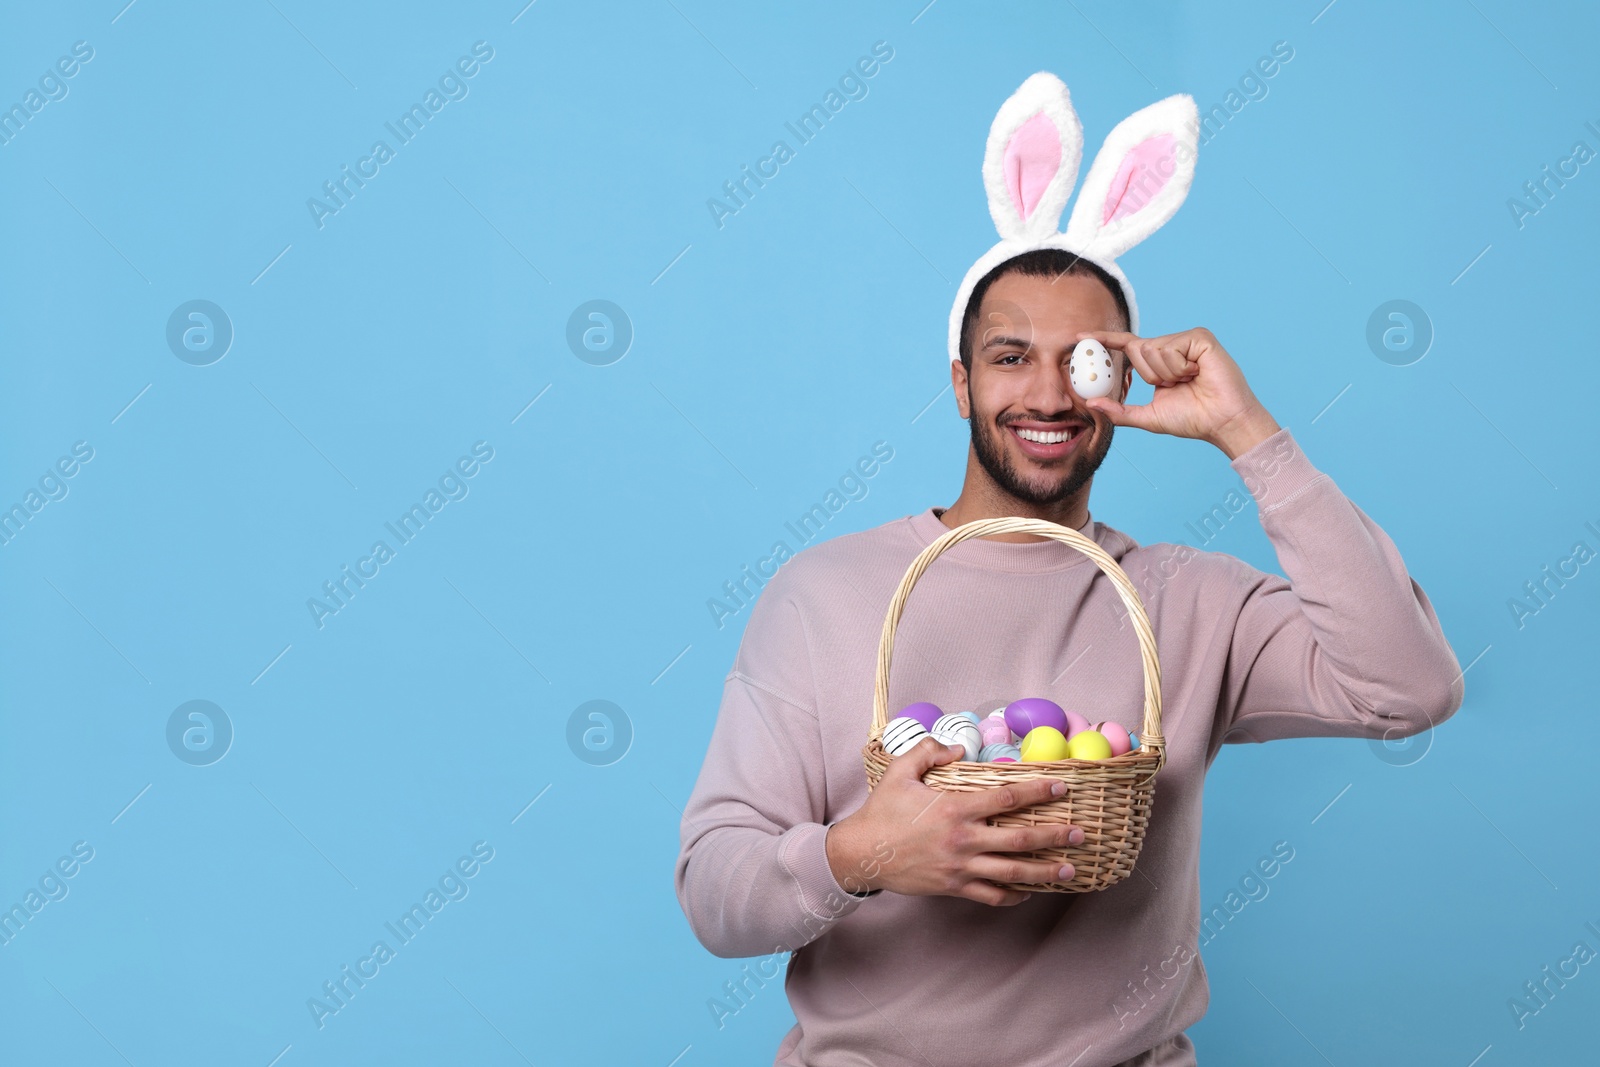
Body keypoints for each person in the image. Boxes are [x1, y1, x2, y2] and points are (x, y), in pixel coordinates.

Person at [673, 74, 1464, 1067]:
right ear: (960, 380)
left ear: (1124, 381)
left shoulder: (1187, 598)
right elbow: (714, 889)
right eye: (1010, 356)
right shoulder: (822, 594)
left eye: (1085, 359)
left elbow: (1411, 685)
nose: (1047, 391)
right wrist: (864, 853)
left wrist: (1248, 435)